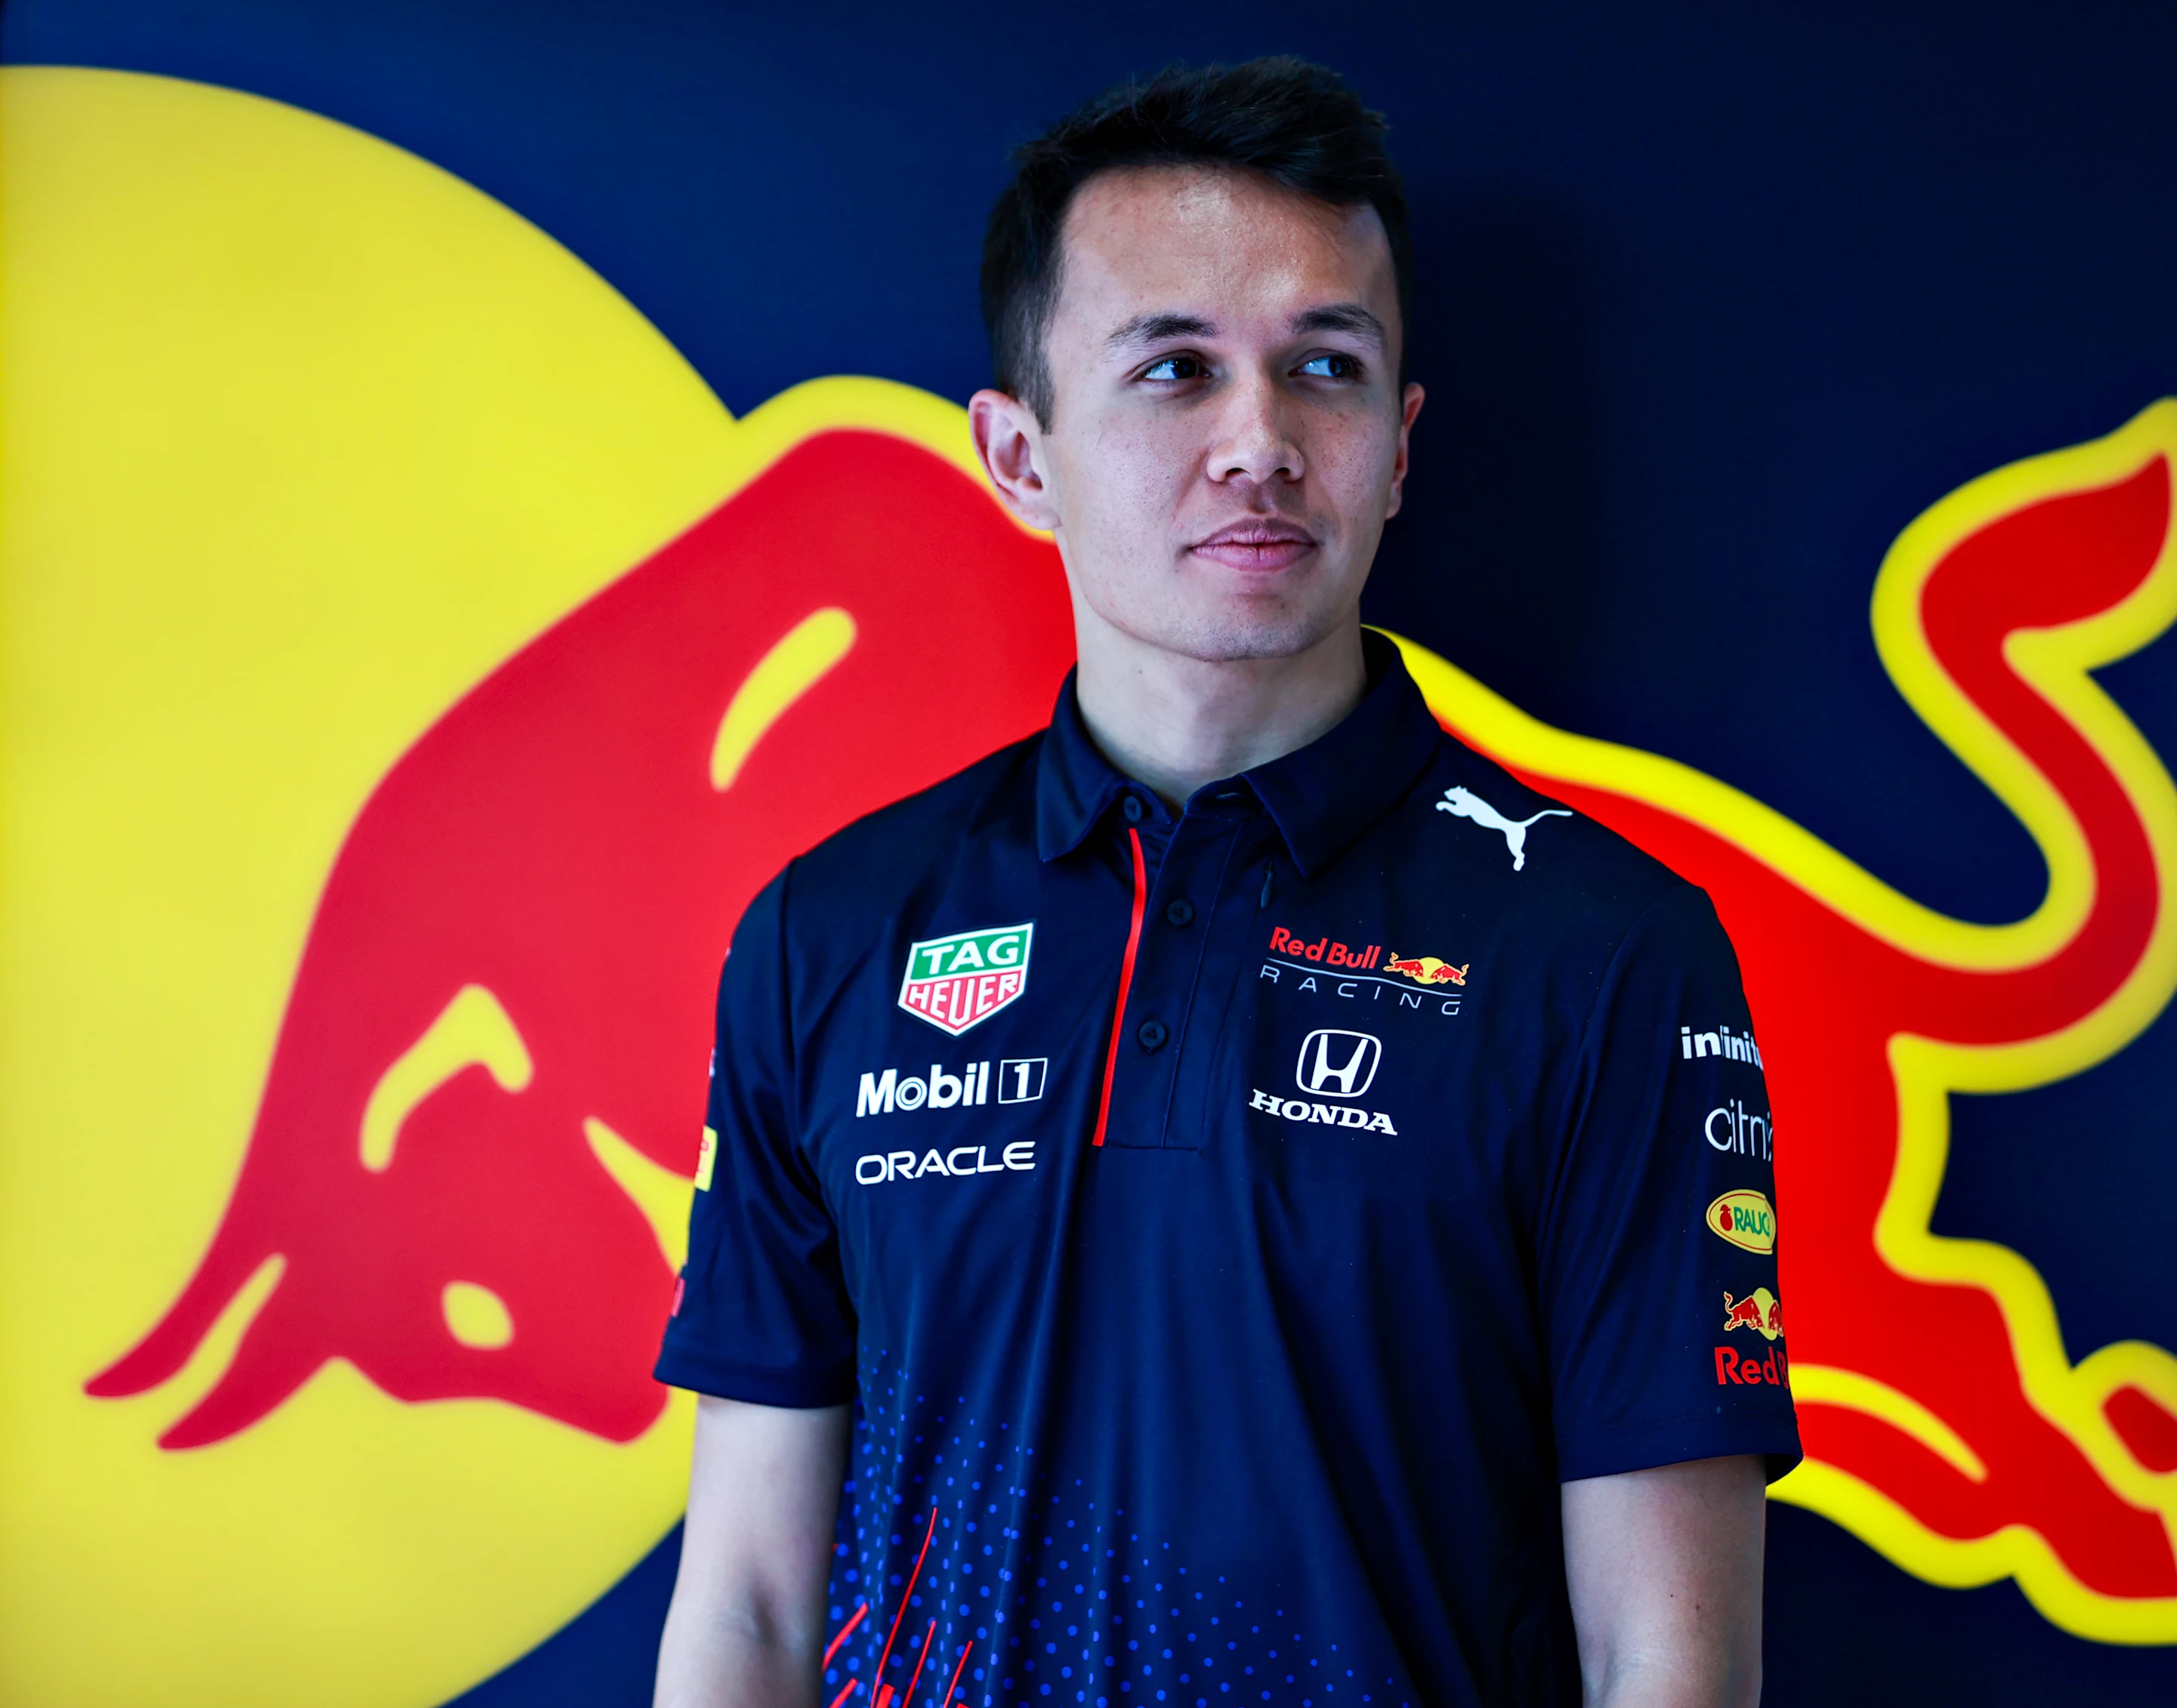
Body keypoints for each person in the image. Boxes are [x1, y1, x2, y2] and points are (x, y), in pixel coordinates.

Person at [652, 57, 1793, 1708]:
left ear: (1397, 447)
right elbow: (751, 1603)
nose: (1258, 443)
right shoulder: (828, 933)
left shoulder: (1602, 948)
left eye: (1323, 368)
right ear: (1019, 457)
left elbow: (1666, 1657)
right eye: (1172, 369)